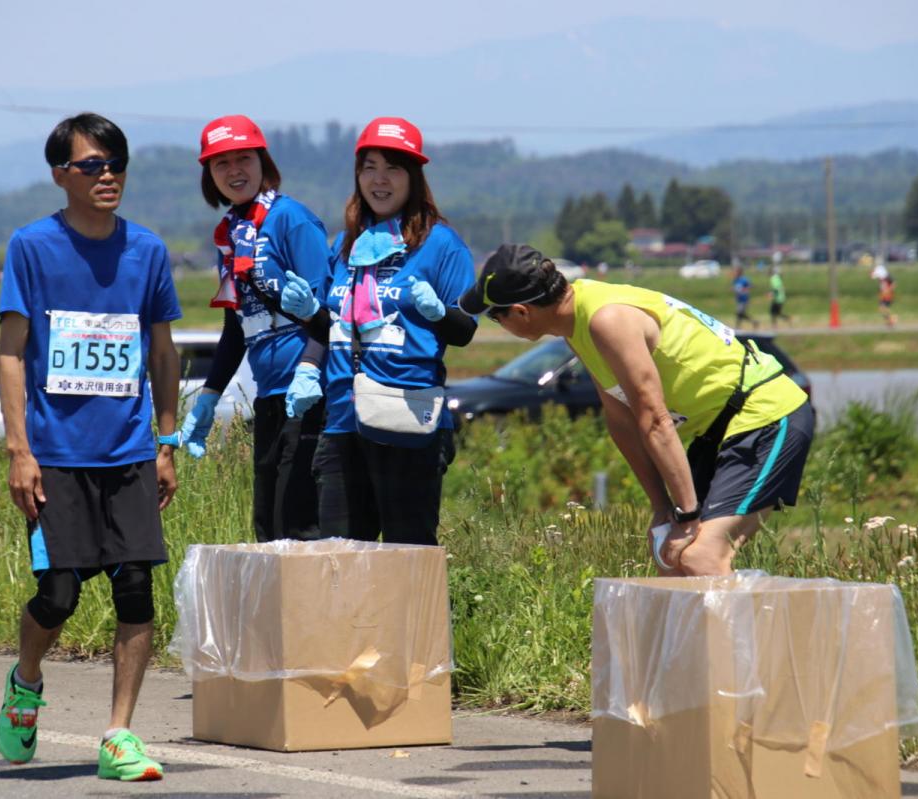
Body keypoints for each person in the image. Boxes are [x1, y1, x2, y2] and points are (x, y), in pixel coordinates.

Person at [0, 113, 179, 780]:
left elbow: (162, 351)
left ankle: (118, 735)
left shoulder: (147, 251)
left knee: (136, 588)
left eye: (117, 163)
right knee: (59, 595)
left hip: (129, 452)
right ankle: (25, 679)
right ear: (60, 175)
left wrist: (166, 439)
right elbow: (11, 353)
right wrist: (20, 450)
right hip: (56, 456)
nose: (109, 175)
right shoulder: (32, 247)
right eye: (93, 165)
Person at [460, 244, 814, 577]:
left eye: (495, 317)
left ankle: (773, 625)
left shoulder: (607, 320)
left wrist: (687, 514)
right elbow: (621, 420)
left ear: (521, 312)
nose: (498, 325)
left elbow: (655, 421)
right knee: (671, 557)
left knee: (702, 556)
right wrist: (662, 508)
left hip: (766, 413)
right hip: (717, 428)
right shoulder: (576, 326)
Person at [281, 116, 477, 545]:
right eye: (369, 168)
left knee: (408, 557)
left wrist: (438, 313)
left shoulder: (441, 244)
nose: (379, 180)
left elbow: (464, 331)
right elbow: (333, 327)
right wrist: (309, 324)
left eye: (392, 168)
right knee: (340, 558)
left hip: (407, 418)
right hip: (342, 420)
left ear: (414, 177)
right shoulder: (345, 245)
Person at [176, 115, 331, 542]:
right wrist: (209, 397)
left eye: (243, 159)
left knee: (301, 528)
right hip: (269, 396)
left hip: (310, 394)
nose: (234, 171)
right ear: (209, 174)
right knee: (269, 527)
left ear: (264, 162)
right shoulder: (231, 235)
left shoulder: (291, 219)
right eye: (221, 163)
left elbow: (329, 313)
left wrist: (309, 370)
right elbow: (237, 326)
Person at [732, 265, 758, 329]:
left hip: (744, 299)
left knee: (739, 313)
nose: (735, 273)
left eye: (736, 272)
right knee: (741, 314)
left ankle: (738, 327)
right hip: (739, 299)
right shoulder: (735, 280)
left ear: (739, 272)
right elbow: (736, 288)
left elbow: (751, 285)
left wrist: (745, 289)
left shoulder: (744, 279)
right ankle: (753, 322)